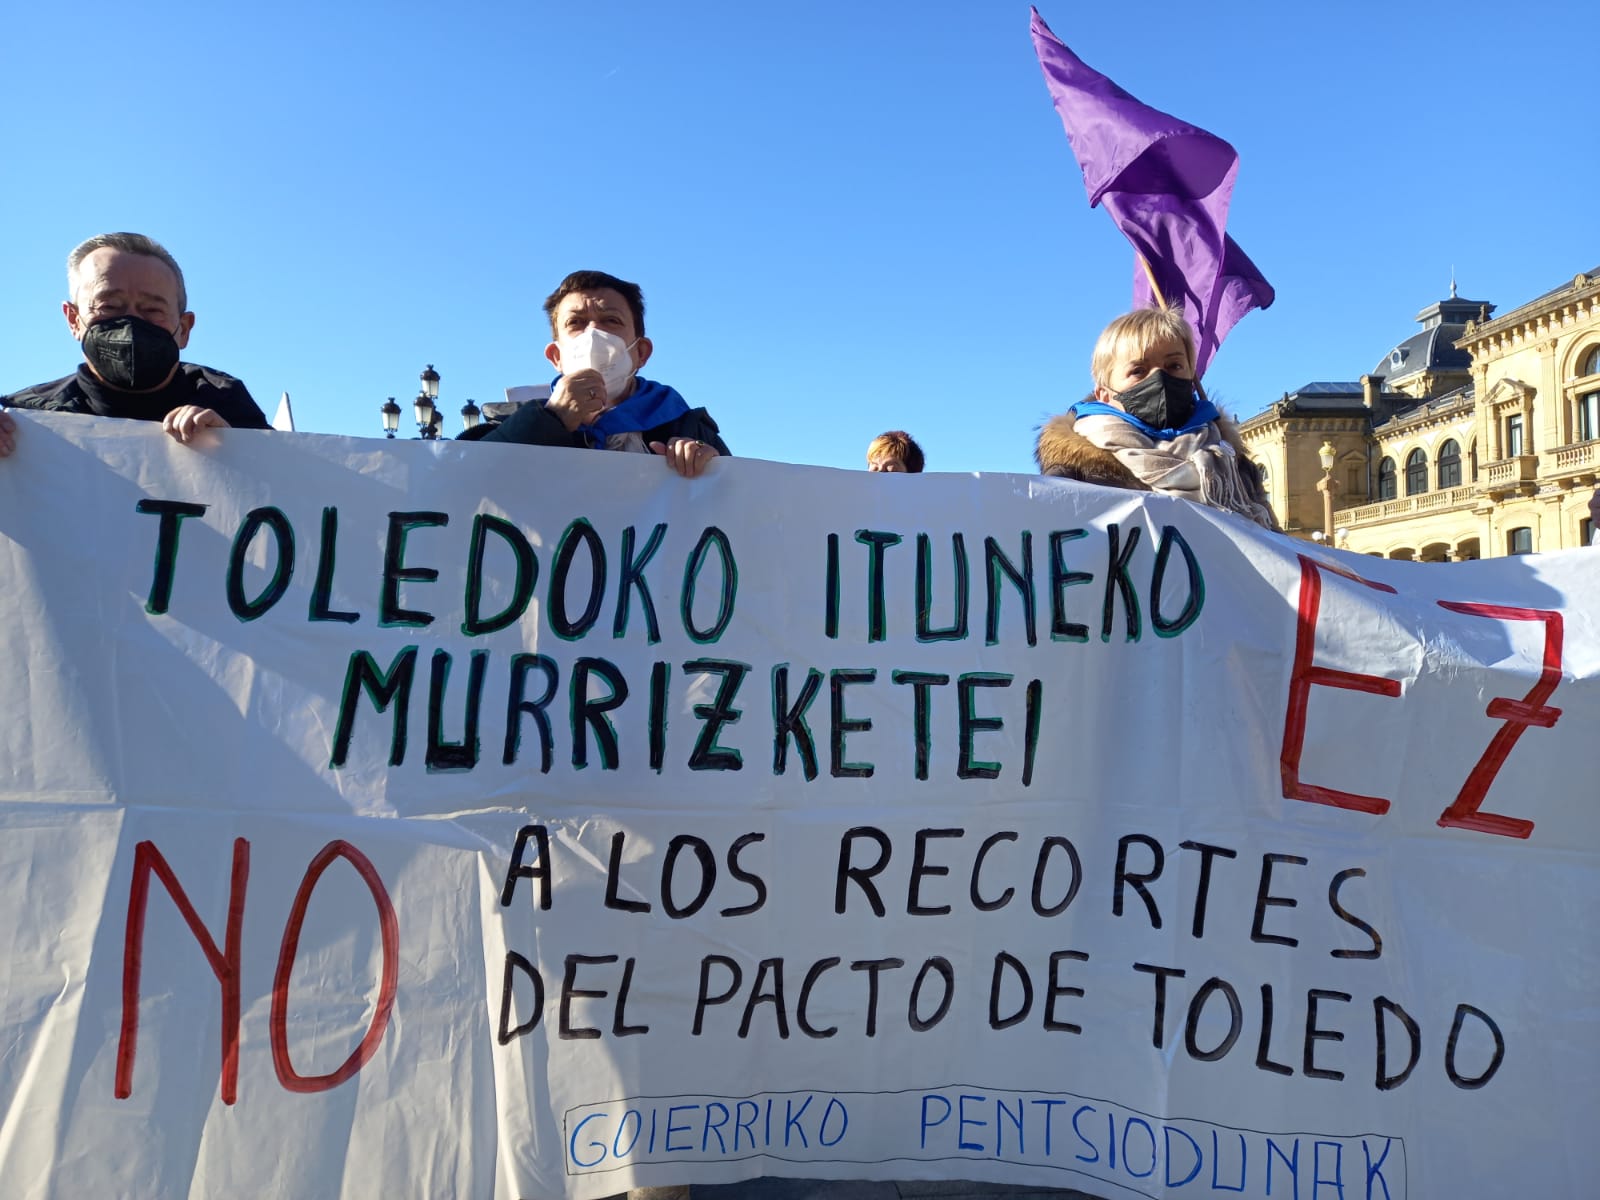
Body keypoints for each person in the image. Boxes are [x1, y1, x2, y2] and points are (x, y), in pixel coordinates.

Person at [0, 233, 269, 456]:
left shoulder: (228, 405)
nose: (130, 323)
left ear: (184, 328)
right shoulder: (26, 417)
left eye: (152, 309)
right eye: (109, 306)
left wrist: (239, 450)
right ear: (74, 319)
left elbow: (286, 494)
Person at [1034, 306, 1277, 530]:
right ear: (1104, 394)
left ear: (1192, 377)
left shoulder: (1234, 465)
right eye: (1138, 370)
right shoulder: (1075, 472)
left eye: (1174, 366)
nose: (1159, 378)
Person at [478, 271, 726, 478]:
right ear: (556, 356)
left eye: (610, 320)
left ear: (641, 352)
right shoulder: (509, 424)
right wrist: (550, 420)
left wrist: (714, 468)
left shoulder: (687, 427)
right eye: (576, 322)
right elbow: (466, 480)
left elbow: (742, 511)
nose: (593, 332)